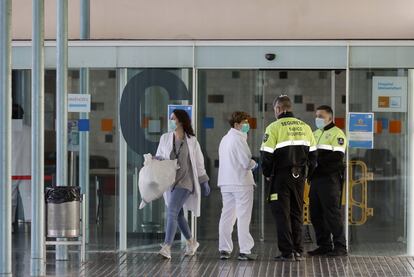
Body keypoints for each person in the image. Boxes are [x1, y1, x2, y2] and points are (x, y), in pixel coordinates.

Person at [260, 95, 317, 262]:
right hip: (299, 177)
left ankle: (287, 252)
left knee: (281, 214)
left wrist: (267, 174)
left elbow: (266, 156)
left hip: (280, 177)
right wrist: (308, 176)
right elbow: (314, 157)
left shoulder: (274, 127)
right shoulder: (305, 127)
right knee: (296, 213)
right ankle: (298, 250)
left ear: (278, 109)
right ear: (290, 108)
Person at [155, 109, 210, 259]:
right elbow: (160, 155)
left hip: (185, 182)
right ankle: (192, 242)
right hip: (170, 182)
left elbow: (199, 163)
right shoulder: (165, 138)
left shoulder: (192, 141)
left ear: (181, 121)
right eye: (170, 118)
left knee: (172, 211)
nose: (171, 121)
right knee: (178, 215)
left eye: (173, 119)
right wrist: (156, 160)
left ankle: (166, 247)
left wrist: (203, 180)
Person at [217, 111, 258, 261]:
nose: (247, 125)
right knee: (243, 216)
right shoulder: (238, 139)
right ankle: (245, 250)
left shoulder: (224, 139)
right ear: (236, 125)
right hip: (241, 183)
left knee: (227, 216)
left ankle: (224, 249)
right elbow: (246, 162)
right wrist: (255, 164)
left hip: (226, 183)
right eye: (244, 123)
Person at [308, 105, 348, 257]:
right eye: (317, 115)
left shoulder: (337, 133)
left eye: (321, 116)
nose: (318, 118)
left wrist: (317, 163)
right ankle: (324, 245)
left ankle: (340, 247)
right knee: (316, 214)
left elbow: (337, 158)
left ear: (330, 118)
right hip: (316, 180)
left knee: (332, 214)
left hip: (330, 180)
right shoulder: (314, 133)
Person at [11, 104, 32, 226]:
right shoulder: (30, 130)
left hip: (10, 171)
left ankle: (9, 226)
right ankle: (33, 225)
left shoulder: (4, 131)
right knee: (29, 198)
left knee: (9, 201)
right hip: (28, 171)